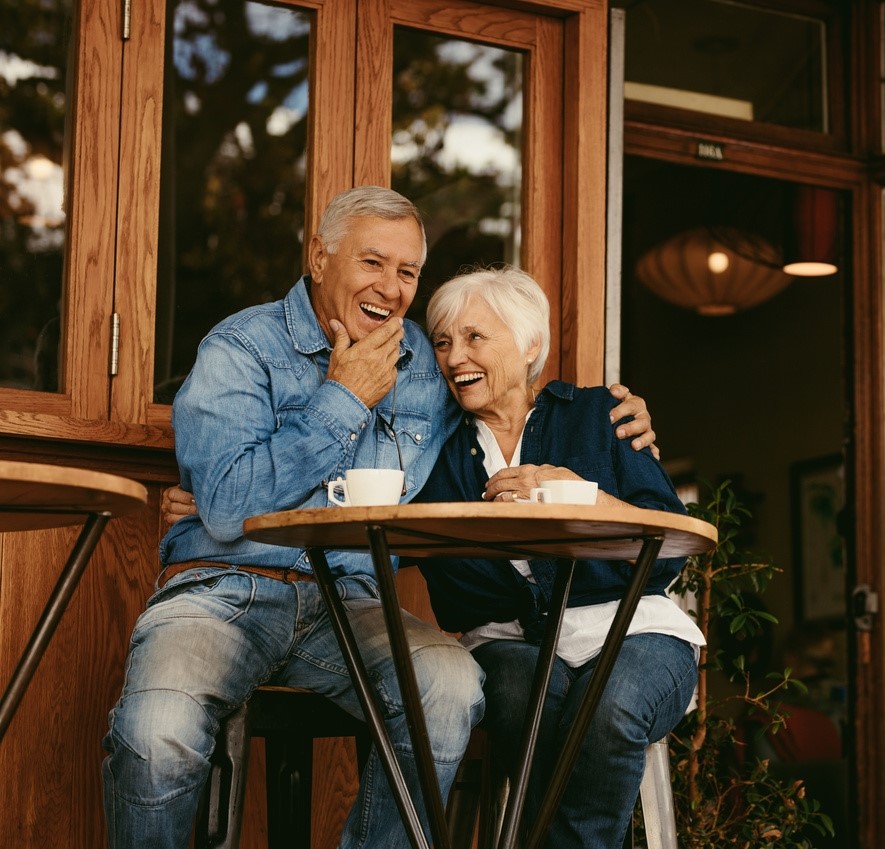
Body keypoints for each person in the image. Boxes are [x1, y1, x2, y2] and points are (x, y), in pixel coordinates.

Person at [105, 186, 657, 849]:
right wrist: (343, 398)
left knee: (451, 690)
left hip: (353, 603)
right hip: (227, 587)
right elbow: (224, 506)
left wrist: (606, 415)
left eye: (408, 272)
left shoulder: (427, 361)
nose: (392, 288)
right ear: (319, 255)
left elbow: (506, 399)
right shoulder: (241, 348)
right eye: (373, 263)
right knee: (156, 728)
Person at [412, 266, 705, 849]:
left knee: (611, 707)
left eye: (475, 337)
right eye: (442, 342)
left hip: (635, 632)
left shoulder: (600, 415)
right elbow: (450, 587)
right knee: (530, 704)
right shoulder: (435, 451)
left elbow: (667, 552)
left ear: (530, 346)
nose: (453, 357)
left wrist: (584, 496)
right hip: (509, 642)